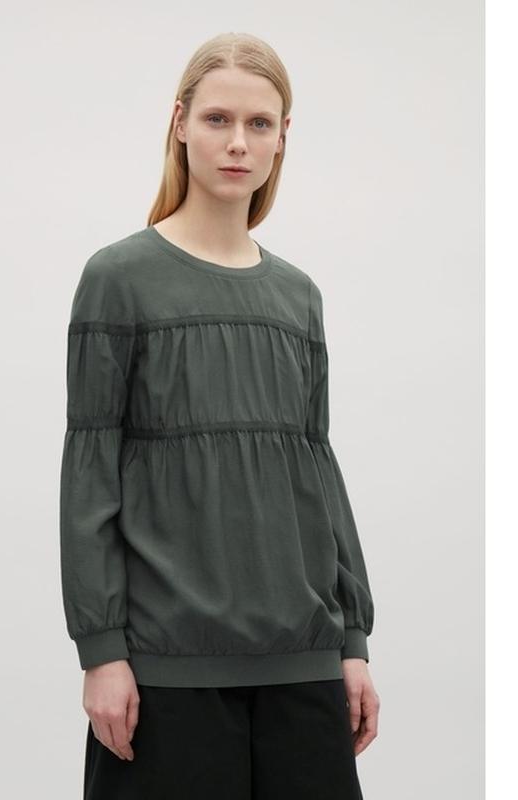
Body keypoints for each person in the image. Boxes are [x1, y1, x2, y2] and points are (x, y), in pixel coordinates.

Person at [59, 31, 380, 800]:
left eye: (259, 123)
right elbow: (90, 473)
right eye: (217, 119)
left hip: (303, 664)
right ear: (179, 123)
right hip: (168, 669)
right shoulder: (119, 279)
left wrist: (352, 641)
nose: (239, 142)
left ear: (282, 137)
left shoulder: (298, 296)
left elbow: (317, 475)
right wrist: (102, 651)